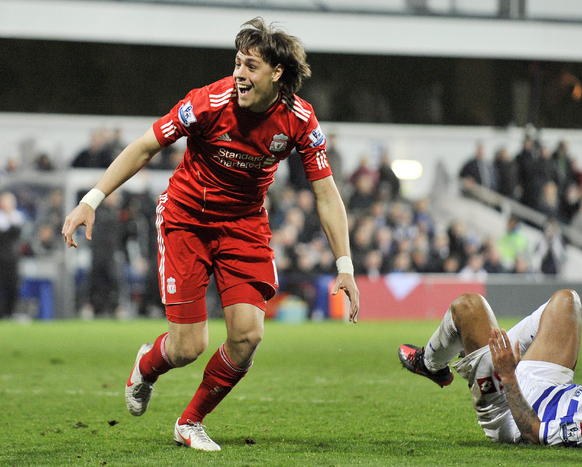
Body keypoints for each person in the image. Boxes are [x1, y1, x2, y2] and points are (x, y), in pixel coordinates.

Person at [62, 18, 360, 451]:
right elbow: (145, 146)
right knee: (187, 347)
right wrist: (92, 199)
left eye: (251, 66)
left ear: (277, 73)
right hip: (187, 220)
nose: (239, 74)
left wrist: (345, 265)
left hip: (244, 226)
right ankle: (147, 365)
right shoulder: (207, 102)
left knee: (248, 336)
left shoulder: (299, 119)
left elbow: (326, 193)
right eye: (237, 63)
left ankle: (190, 422)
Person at [398, 289, 582, 447]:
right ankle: (477, 354)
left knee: (469, 306)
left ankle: (431, 364)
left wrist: (508, 375)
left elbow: (535, 433)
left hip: (514, 412)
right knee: (567, 300)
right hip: (553, 388)